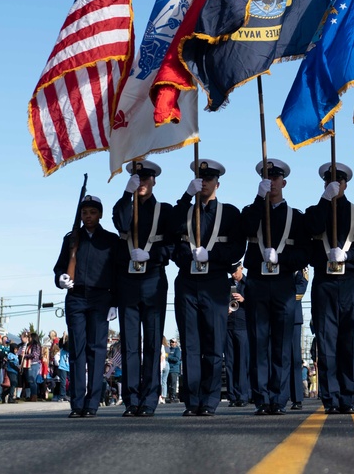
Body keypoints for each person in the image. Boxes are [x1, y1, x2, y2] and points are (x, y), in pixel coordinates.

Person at [171, 159, 246, 417]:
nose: (204, 183)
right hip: (187, 281)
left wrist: (211, 255)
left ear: (218, 183)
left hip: (214, 281)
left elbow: (238, 248)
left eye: (209, 179)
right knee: (191, 344)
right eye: (200, 179)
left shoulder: (230, 213)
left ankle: (210, 401)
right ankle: (192, 401)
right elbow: (170, 234)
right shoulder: (185, 211)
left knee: (214, 343)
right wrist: (185, 197)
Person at [304, 161, 354, 415]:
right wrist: (325, 200)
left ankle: (350, 396)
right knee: (327, 342)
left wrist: (350, 255)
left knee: (349, 342)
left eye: (338, 182)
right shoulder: (315, 210)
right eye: (329, 182)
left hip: (351, 283)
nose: (334, 186)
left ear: (346, 184)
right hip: (324, 281)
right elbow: (310, 231)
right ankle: (331, 397)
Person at [240, 158, 310, 416]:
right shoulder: (253, 210)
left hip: (282, 282)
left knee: (281, 343)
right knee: (258, 343)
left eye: (276, 179)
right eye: (267, 179)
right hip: (257, 281)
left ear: (284, 182)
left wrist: (283, 259)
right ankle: (261, 398)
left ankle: (278, 399)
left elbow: (305, 253)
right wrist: (260, 199)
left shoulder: (295, 216)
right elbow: (244, 229)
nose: (272, 183)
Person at [112, 159, 175, 417]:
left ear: (154, 181)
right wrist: (127, 193)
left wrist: (154, 255)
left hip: (153, 279)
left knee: (151, 342)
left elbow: (173, 246)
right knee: (129, 344)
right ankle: (131, 399)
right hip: (127, 281)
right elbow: (122, 223)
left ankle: (149, 399)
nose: (141, 183)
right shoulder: (124, 206)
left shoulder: (165, 210)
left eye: (145, 179)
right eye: (137, 179)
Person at [53, 193, 126, 418]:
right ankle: (76, 403)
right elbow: (59, 268)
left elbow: (117, 273)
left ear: (100, 214)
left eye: (92, 212)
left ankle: (92, 403)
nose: (88, 216)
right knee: (77, 351)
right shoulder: (71, 239)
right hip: (75, 297)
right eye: (84, 212)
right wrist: (61, 279)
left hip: (101, 298)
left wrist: (115, 302)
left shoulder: (111, 240)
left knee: (97, 349)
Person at [225, 263, 250, 407]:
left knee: (242, 362)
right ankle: (232, 396)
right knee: (230, 362)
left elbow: (256, 303)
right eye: (231, 272)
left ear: (241, 268)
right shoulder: (226, 284)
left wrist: (243, 300)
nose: (234, 274)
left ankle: (242, 395)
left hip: (243, 326)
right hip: (228, 326)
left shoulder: (249, 283)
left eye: (235, 271)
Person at [290, 268, 309, 410]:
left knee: (294, 358)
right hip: (275, 315)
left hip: (293, 318)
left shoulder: (302, 268)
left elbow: (301, 288)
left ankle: (297, 398)